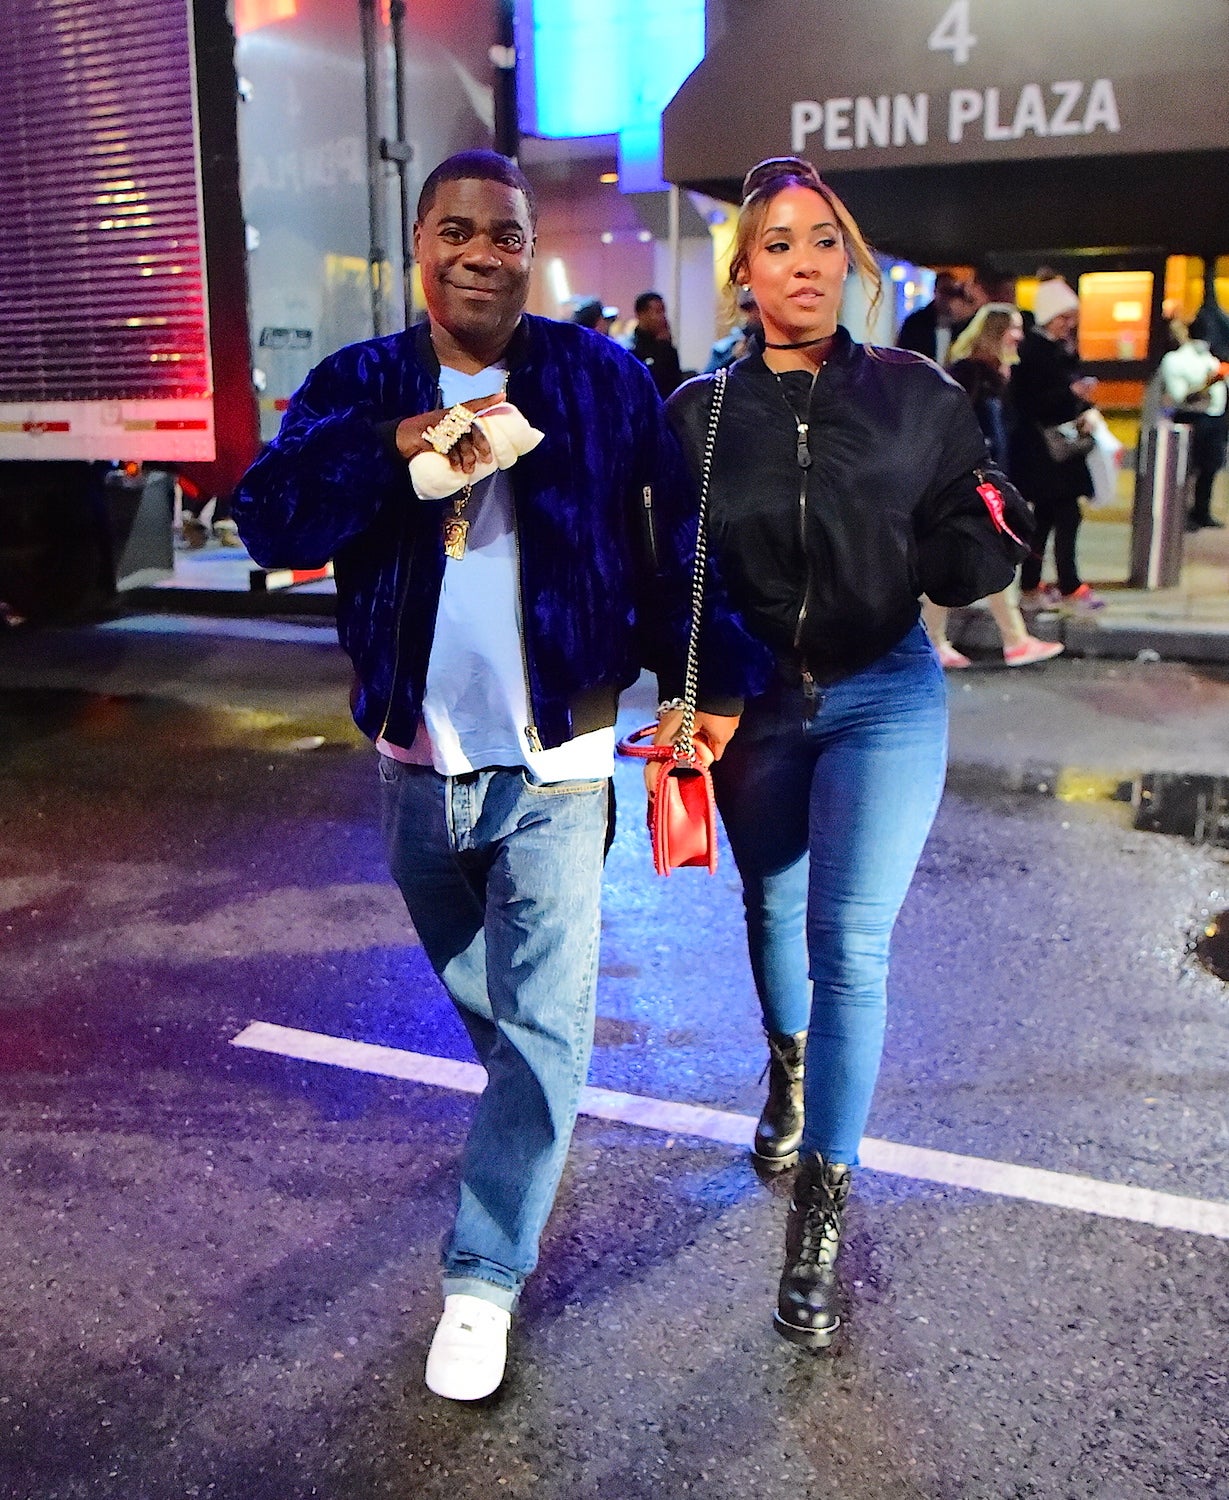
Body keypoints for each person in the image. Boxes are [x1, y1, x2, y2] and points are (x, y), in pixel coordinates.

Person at [232, 149, 757, 1403]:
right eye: (456, 231)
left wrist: (713, 679)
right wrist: (392, 445)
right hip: (414, 764)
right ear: (419, 243)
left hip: (559, 765)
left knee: (539, 1027)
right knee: (505, 1021)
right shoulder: (359, 383)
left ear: (531, 251)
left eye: (506, 236)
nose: (481, 254)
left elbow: (673, 543)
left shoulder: (597, 377)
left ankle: (481, 1277)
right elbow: (269, 522)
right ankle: (530, 1101)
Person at [660, 157, 1029, 1350]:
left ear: (851, 261)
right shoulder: (695, 417)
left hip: (883, 695)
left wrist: (985, 529)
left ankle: (815, 1215)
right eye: (776, 244)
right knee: (769, 904)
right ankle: (787, 1071)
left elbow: (971, 519)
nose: (803, 263)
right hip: (754, 705)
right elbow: (670, 577)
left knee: (850, 947)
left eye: (822, 240)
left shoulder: (917, 394)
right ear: (743, 272)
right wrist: (693, 693)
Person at [923, 304, 1064, 668]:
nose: (1019, 335)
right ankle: (1007, 641)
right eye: (1014, 328)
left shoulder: (997, 373)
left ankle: (948, 641)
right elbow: (953, 424)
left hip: (984, 482)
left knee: (973, 558)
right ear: (995, 331)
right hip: (969, 482)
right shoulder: (970, 372)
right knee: (979, 557)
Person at [1010, 276, 1105, 612]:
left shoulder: (1057, 349)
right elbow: (1030, 401)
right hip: (1044, 450)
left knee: (1047, 518)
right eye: (1064, 317)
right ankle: (1068, 584)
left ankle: (1032, 583)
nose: (1069, 324)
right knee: (1065, 515)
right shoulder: (1035, 351)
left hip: (1055, 449)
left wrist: (1082, 404)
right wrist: (1071, 393)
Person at [1160, 319, 1228, 531]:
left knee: (1210, 467)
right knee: (1186, 468)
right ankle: (1180, 513)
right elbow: (1180, 396)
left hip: (1215, 417)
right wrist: (1206, 384)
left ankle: (1201, 511)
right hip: (1191, 418)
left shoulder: (1210, 359)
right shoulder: (1175, 360)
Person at [896, 270, 976, 364]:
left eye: (951, 292)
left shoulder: (963, 322)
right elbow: (903, 354)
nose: (947, 297)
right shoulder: (916, 322)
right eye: (944, 291)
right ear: (935, 291)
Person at [629, 290, 684, 398]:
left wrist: (665, 347)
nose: (663, 317)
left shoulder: (668, 348)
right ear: (641, 315)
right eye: (658, 312)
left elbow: (674, 385)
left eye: (663, 311)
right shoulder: (630, 348)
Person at [705, 287, 762, 372]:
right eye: (749, 308)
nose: (755, 314)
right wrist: (734, 356)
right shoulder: (724, 349)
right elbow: (709, 376)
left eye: (758, 308)